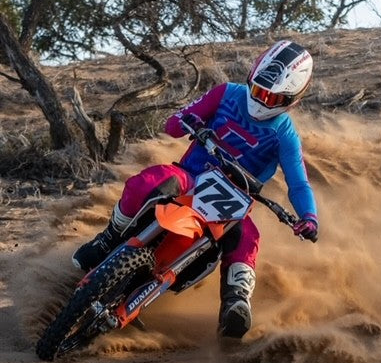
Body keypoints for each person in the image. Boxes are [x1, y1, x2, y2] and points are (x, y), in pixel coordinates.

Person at [72, 40, 319, 339]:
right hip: (189, 176)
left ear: (291, 100)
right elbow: (173, 125)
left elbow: (299, 183)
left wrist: (308, 217)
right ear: (250, 79)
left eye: (272, 97)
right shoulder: (226, 93)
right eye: (257, 90)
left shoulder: (285, 135)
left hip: (233, 203)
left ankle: (236, 303)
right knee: (147, 181)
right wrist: (187, 120)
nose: (262, 101)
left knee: (248, 237)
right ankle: (108, 239)